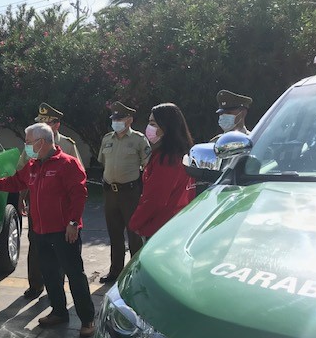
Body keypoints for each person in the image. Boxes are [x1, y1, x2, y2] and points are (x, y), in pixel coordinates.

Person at [0, 122, 96, 337]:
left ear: (41, 142)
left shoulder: (67, 164)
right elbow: (15, 182)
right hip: (40, 231)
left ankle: (87, 320)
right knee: (50, 274)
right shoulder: (33, 166)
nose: (25, 146)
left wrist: (73, 223)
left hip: (64, 232)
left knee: (75, 275)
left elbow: (79, 195)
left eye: (28, 142)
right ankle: (59, 312)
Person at [17, 102, 84, 300]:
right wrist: (21, 198)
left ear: (57, 125)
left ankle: (57, 289)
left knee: (62, 248)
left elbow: (79, 183)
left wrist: (73, 219)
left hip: (59, 207)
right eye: (40, 122)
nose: (43, 125)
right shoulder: (31, 145)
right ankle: (36, 284)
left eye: (47, 123)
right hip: (36, 201)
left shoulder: (68, 145)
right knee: (36, 245)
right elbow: (22, 172)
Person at [97, 101, 150, 285]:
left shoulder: (138, 139)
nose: (116, 122)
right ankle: (115, 271)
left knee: (134, 234)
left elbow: (148, 165)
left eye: (120, 118)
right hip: (110, 193)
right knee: (114, 234)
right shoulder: (107, 139)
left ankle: (136, 273)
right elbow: (103, 162)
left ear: (129, 120)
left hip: (131, 193)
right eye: (114, 118)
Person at [129, 103, 195, 238]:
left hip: (161, 230)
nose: (149, 128)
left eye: (153, 123)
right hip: (178, 225)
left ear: (167, 126)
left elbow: (155, 199)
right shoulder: (182, 154)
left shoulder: (166, 159)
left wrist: (135, 223)